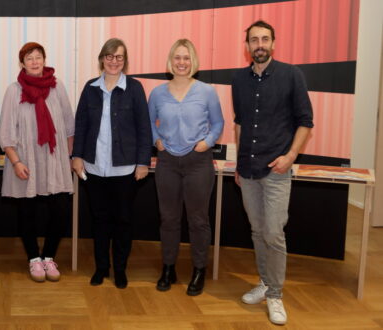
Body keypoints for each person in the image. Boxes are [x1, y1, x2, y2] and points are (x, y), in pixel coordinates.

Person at [232, 20, 313, 325]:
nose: (259, 44)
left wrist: (290, 156)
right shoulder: (238, 80)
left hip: (277, 169)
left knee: (273, 233)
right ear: (247, 46)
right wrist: (239, 163)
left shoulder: (292, 75)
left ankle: (276, 294)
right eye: (254, 40)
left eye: (265, 39)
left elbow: (306, 121)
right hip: (248, 169)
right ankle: (265, 283)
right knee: (256, 230)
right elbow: (239, 124)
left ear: (273, 43)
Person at [71, 38, 151, 289]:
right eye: (109, 56)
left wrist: (142, 162)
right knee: (99, 220)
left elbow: (143, 128)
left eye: (119, 57)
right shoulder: (90, 88)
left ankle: (120, 269)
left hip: (125, 168)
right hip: (94, 168)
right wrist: (76, 156)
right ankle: (101, 268)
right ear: (102, 59)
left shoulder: (135, 88)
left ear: (124, 61)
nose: (114, 61)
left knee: (123, 220)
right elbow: (81, 124)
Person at [149, 39, 224, 296]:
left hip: (198, 163)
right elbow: (148, 123)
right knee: (169, 218)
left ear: (193, 62)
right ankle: (168, 268)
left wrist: (208, 143)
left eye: (187, 58)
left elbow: (218, 123)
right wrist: (155, 139)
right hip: (167, 162)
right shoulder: (158, 93)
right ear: (171, 61)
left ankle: (199, 270)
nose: (182, 62)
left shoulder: (207, 92)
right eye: (178, 57)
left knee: (198, 220)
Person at [0, 42, 74, 282]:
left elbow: (69, 125)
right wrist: (16, 161)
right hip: (26, 161)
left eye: (38, 57)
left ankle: (49, 256)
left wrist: (68, 158)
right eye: (29, 58)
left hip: (54, 161)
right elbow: (6, 132)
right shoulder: (14, 90)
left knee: (60, 211)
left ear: (44, 59)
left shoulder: (57, 86)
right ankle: (33, 258)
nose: (34, 61)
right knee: (27, 212)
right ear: (22, 63)